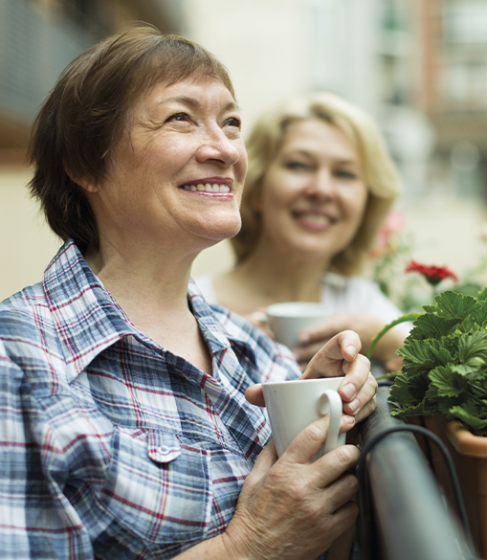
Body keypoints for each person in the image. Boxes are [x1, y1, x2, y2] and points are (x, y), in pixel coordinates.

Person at [0, 27, 376, 560]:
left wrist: (320, 421)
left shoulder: (257, 352)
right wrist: (247, 547)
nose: (224, 149)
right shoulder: (18, 361)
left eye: (231, 123)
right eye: (180, 118)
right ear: (85, 164)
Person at [195, 93, 409, 370]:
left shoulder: (362, 304)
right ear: (255, 188)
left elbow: (452, 375)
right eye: (298, 165)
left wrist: (387, 341)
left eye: (344, 174)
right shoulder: (193, 305)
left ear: (366, 204)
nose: (322, 189)